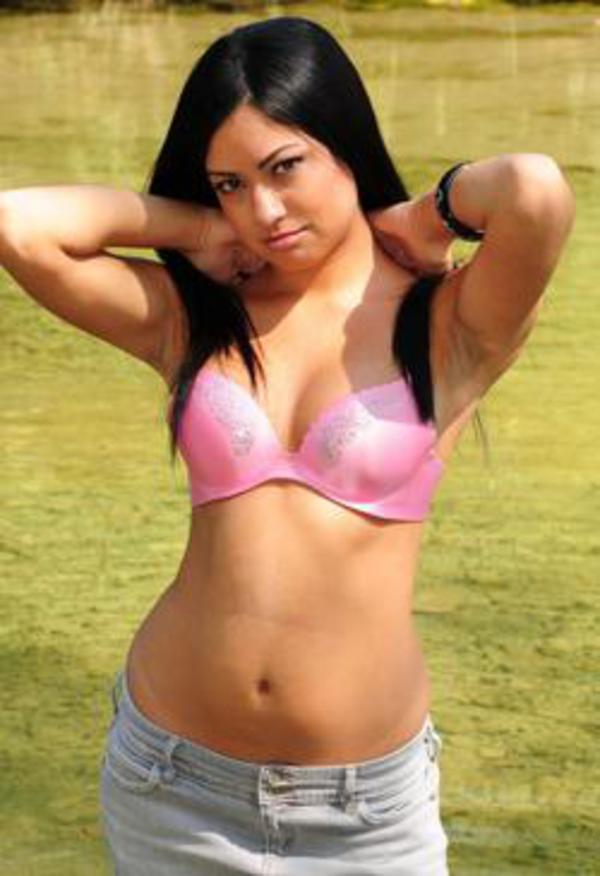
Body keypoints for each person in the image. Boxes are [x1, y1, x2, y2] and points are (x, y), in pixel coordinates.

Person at [0, 15, 575, 876]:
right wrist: (199, 233)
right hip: (169, 782)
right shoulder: (197, 319)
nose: (262, 212)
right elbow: (19, 224)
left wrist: (430, 214)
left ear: (343, 141)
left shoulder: (448, 324)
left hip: (364, 816)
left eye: (284, 167)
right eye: (229, 185)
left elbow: (534, 191)